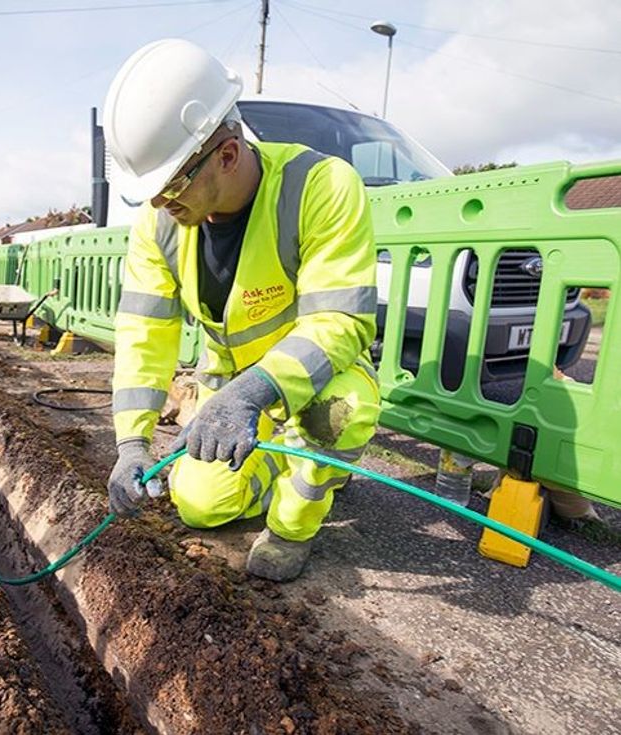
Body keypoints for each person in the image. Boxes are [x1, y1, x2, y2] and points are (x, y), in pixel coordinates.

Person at [104, 39, 381, 582]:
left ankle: (293, 525)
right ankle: (289, 455)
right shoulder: (160, 226)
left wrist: (253, 394)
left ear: (227, 155)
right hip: (227, 390)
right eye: (152, 194)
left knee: (340, 412)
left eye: (171, 187)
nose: (162, 204)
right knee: (200, 506)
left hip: (311, 380)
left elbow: (340, 322)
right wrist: (131, 442)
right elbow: (144, 335)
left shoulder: (320, 187)